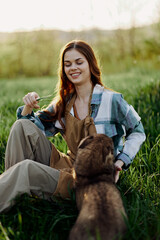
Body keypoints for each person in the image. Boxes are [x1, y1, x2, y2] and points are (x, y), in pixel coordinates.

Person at [0, 40, 146, 213]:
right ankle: (12, 195)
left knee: (26, 168)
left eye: (79, 62)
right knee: (20, 126)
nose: (73, 68)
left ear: (90, 64)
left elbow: (138, 131)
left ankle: (10, 191)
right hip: (66, 165)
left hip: (89, 181)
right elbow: (33, 128)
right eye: (67, 64)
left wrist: (121, 161)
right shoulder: (64, 103)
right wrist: (28, 106)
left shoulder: (112, 100)